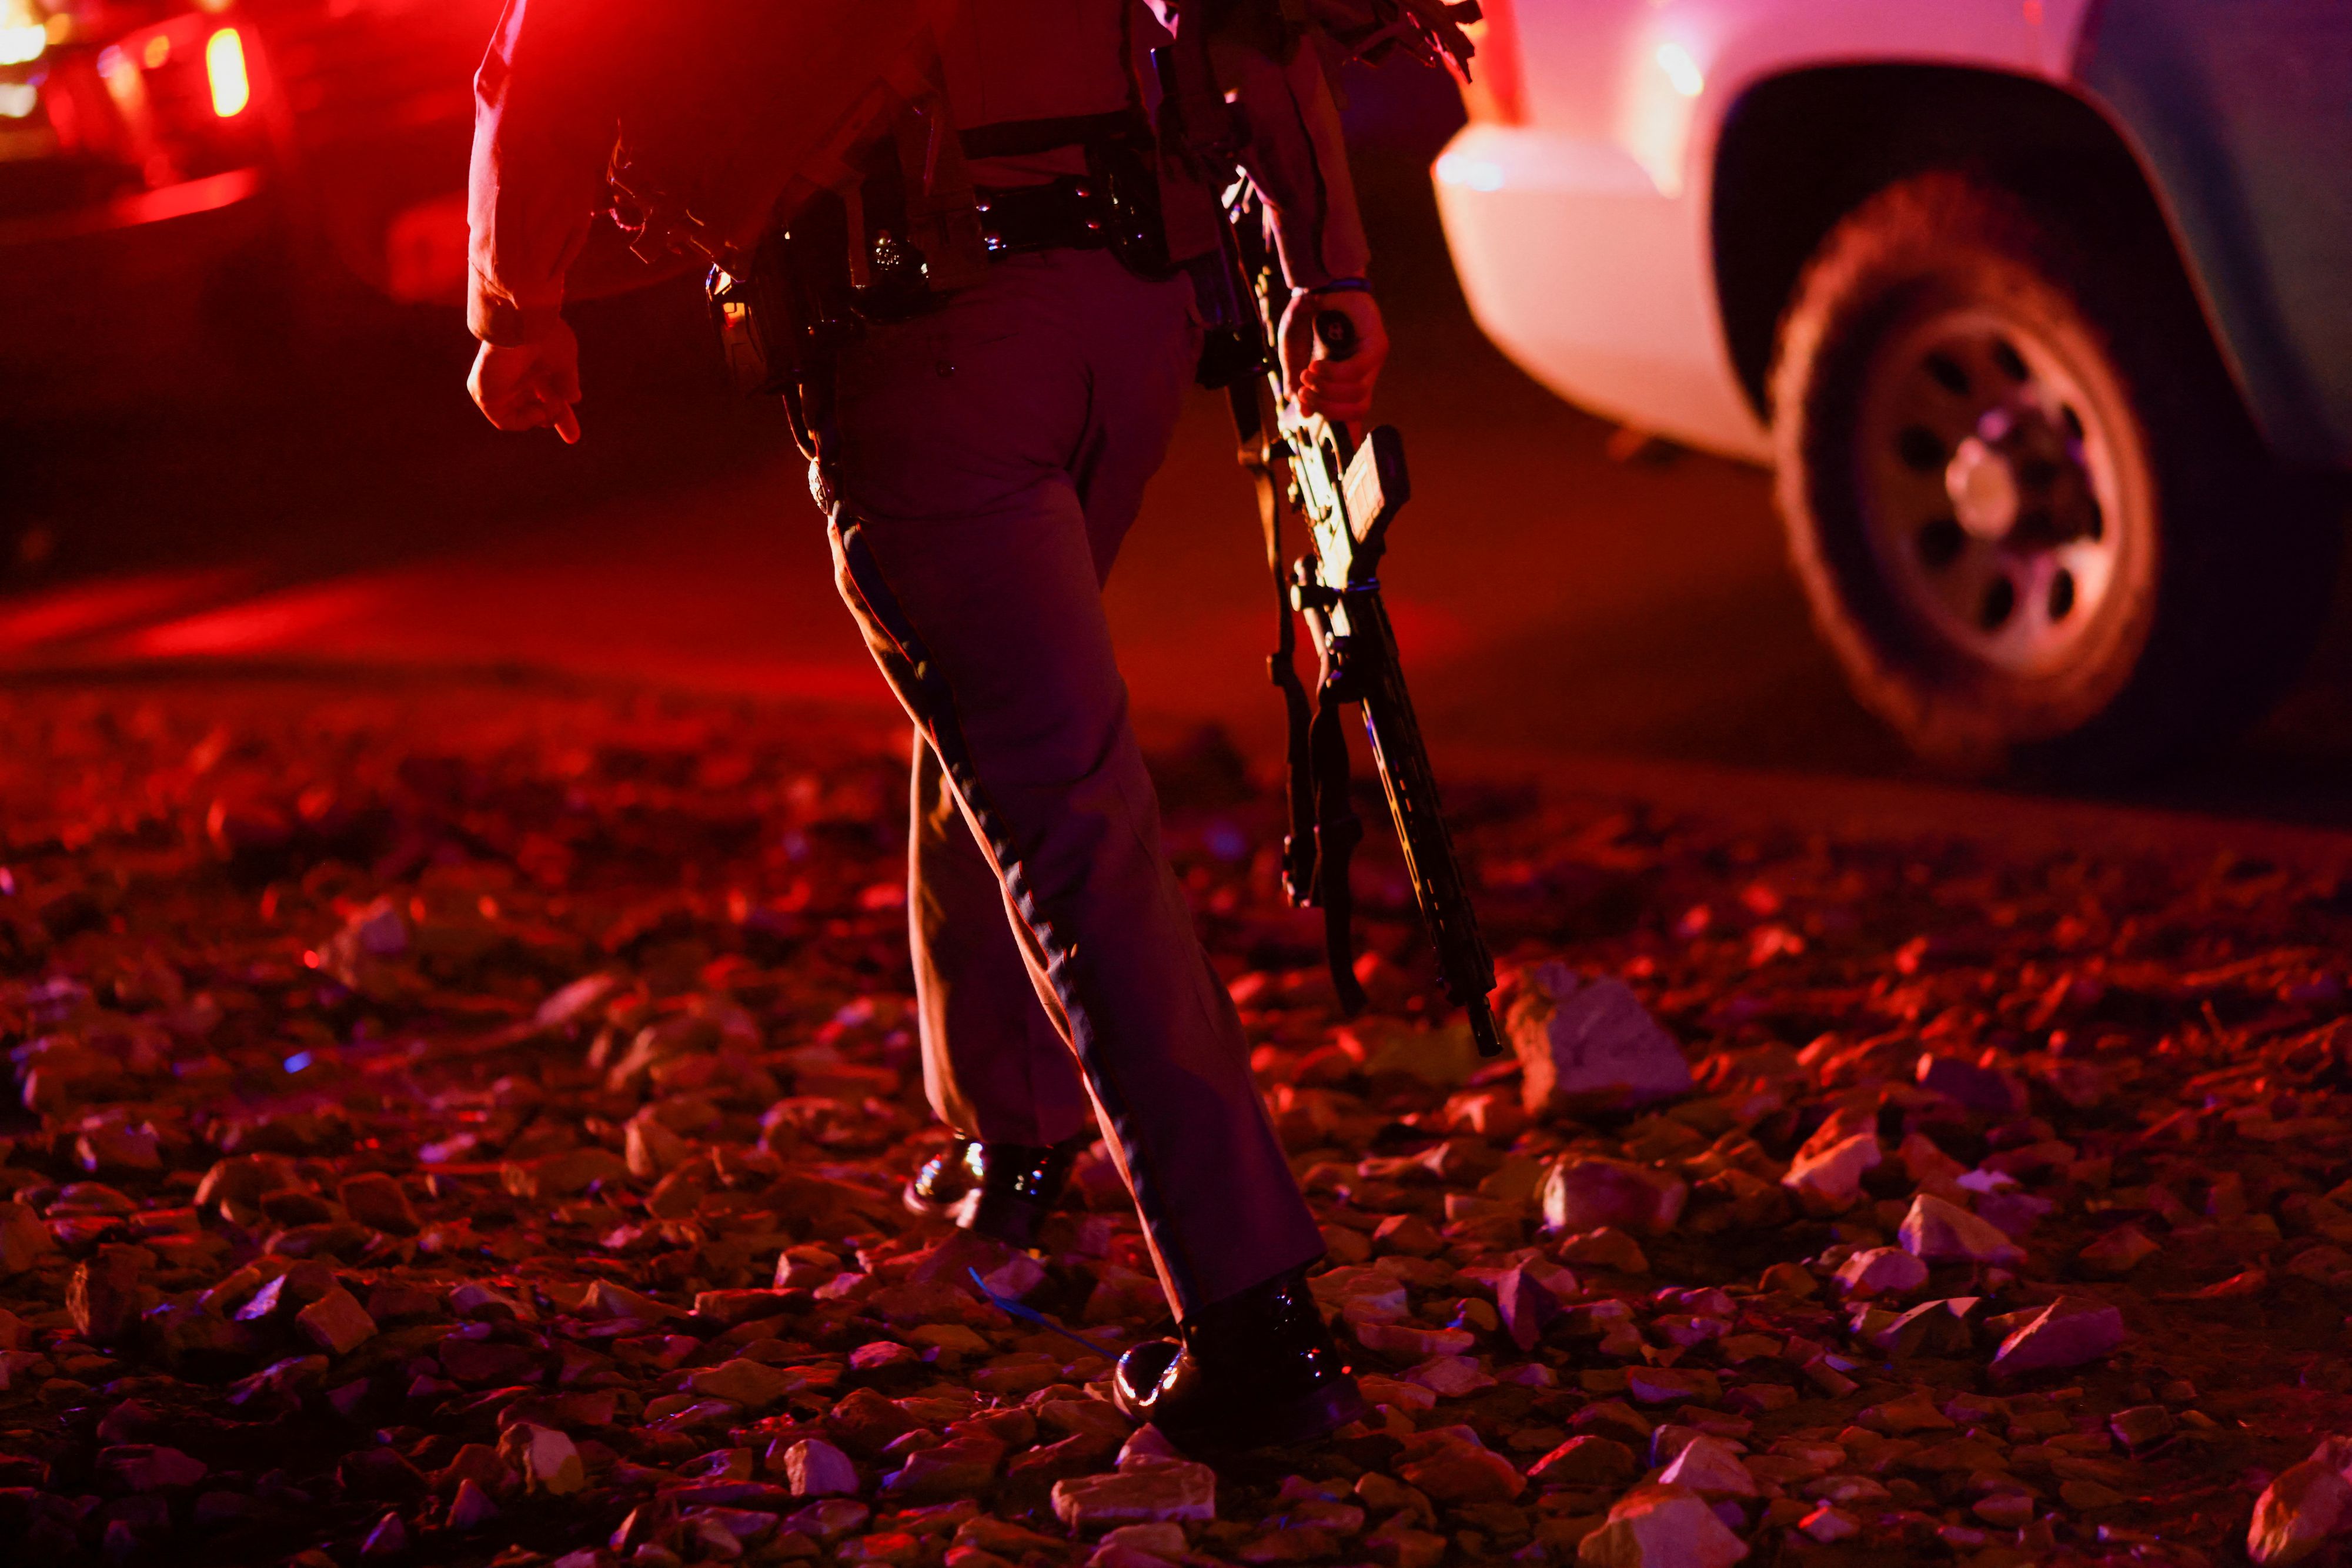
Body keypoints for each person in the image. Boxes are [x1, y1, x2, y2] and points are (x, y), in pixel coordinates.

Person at [466, 0, 1400, 1453]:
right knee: (1001, 721)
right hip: (1132, 310)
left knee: (1057, 798)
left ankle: (1256, 1323)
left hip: (934, 344)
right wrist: (1323, 265)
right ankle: (1010, 1148)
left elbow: (557, 52)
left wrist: (513, 303)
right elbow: (1251, 18)